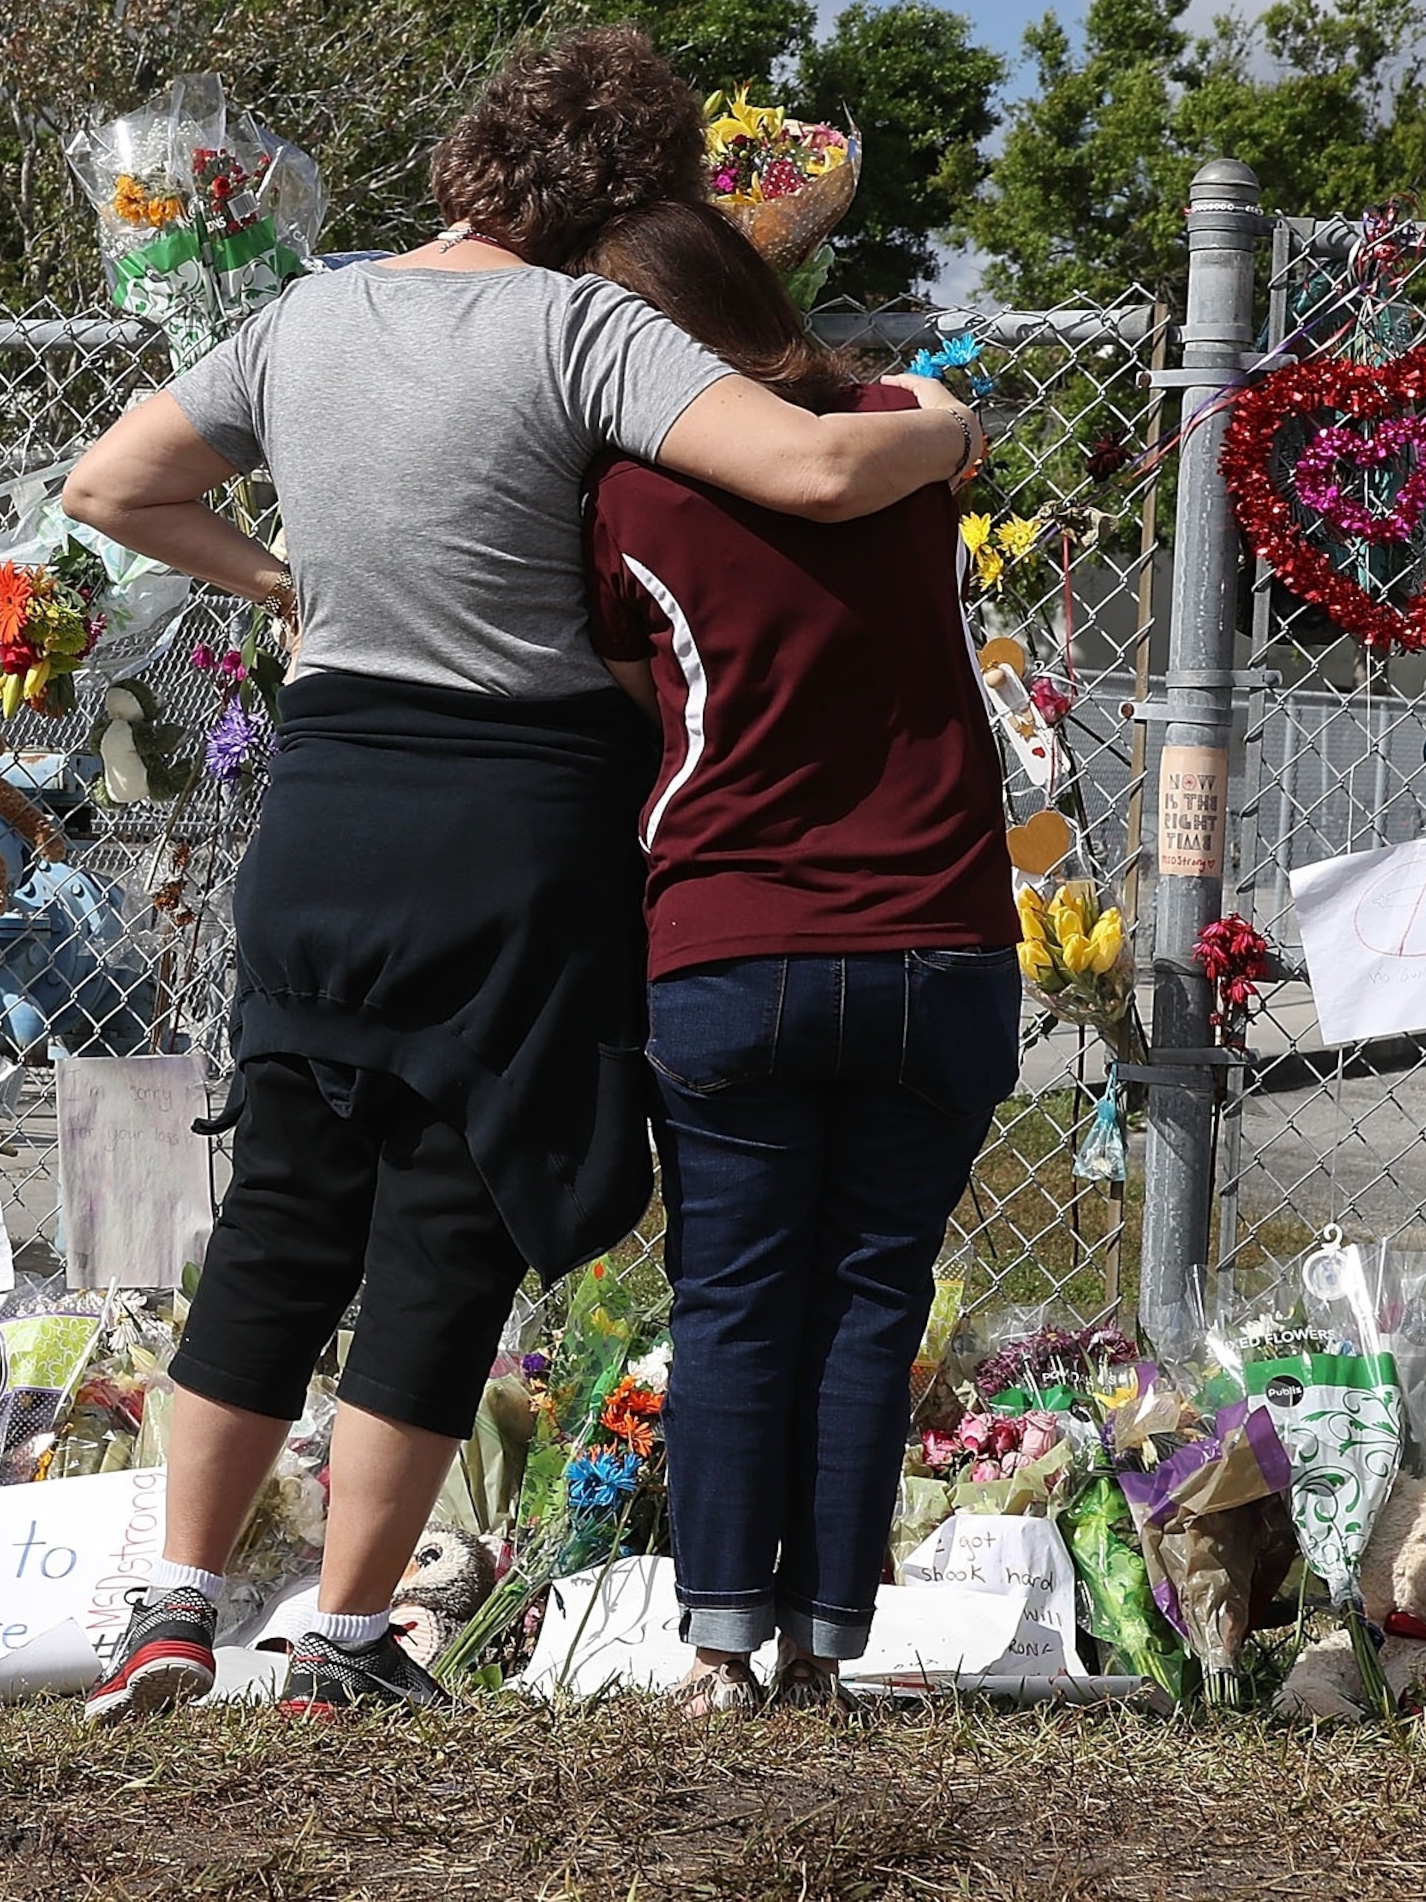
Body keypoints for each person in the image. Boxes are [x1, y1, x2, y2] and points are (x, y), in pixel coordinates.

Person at [56, 28, 983, 1717]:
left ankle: (174, 1606)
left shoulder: (307, 313)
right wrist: (944, 431)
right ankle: (341, 1637)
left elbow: (111, 485)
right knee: (446, 1215)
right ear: (633, 195)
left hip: (331, 803)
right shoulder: (589, 326)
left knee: (278, 1207)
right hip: (520, 822)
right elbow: (816, 469)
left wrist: (282, 587)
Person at [577, 196, 1021, 1718]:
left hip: (733, 938)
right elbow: (948, 420)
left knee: (735, 1295)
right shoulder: (902, 431)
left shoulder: (627, 491)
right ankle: (827, 1648)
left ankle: (718, 1650)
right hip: (943, 938)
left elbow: (651, 696)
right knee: (871, 1293)